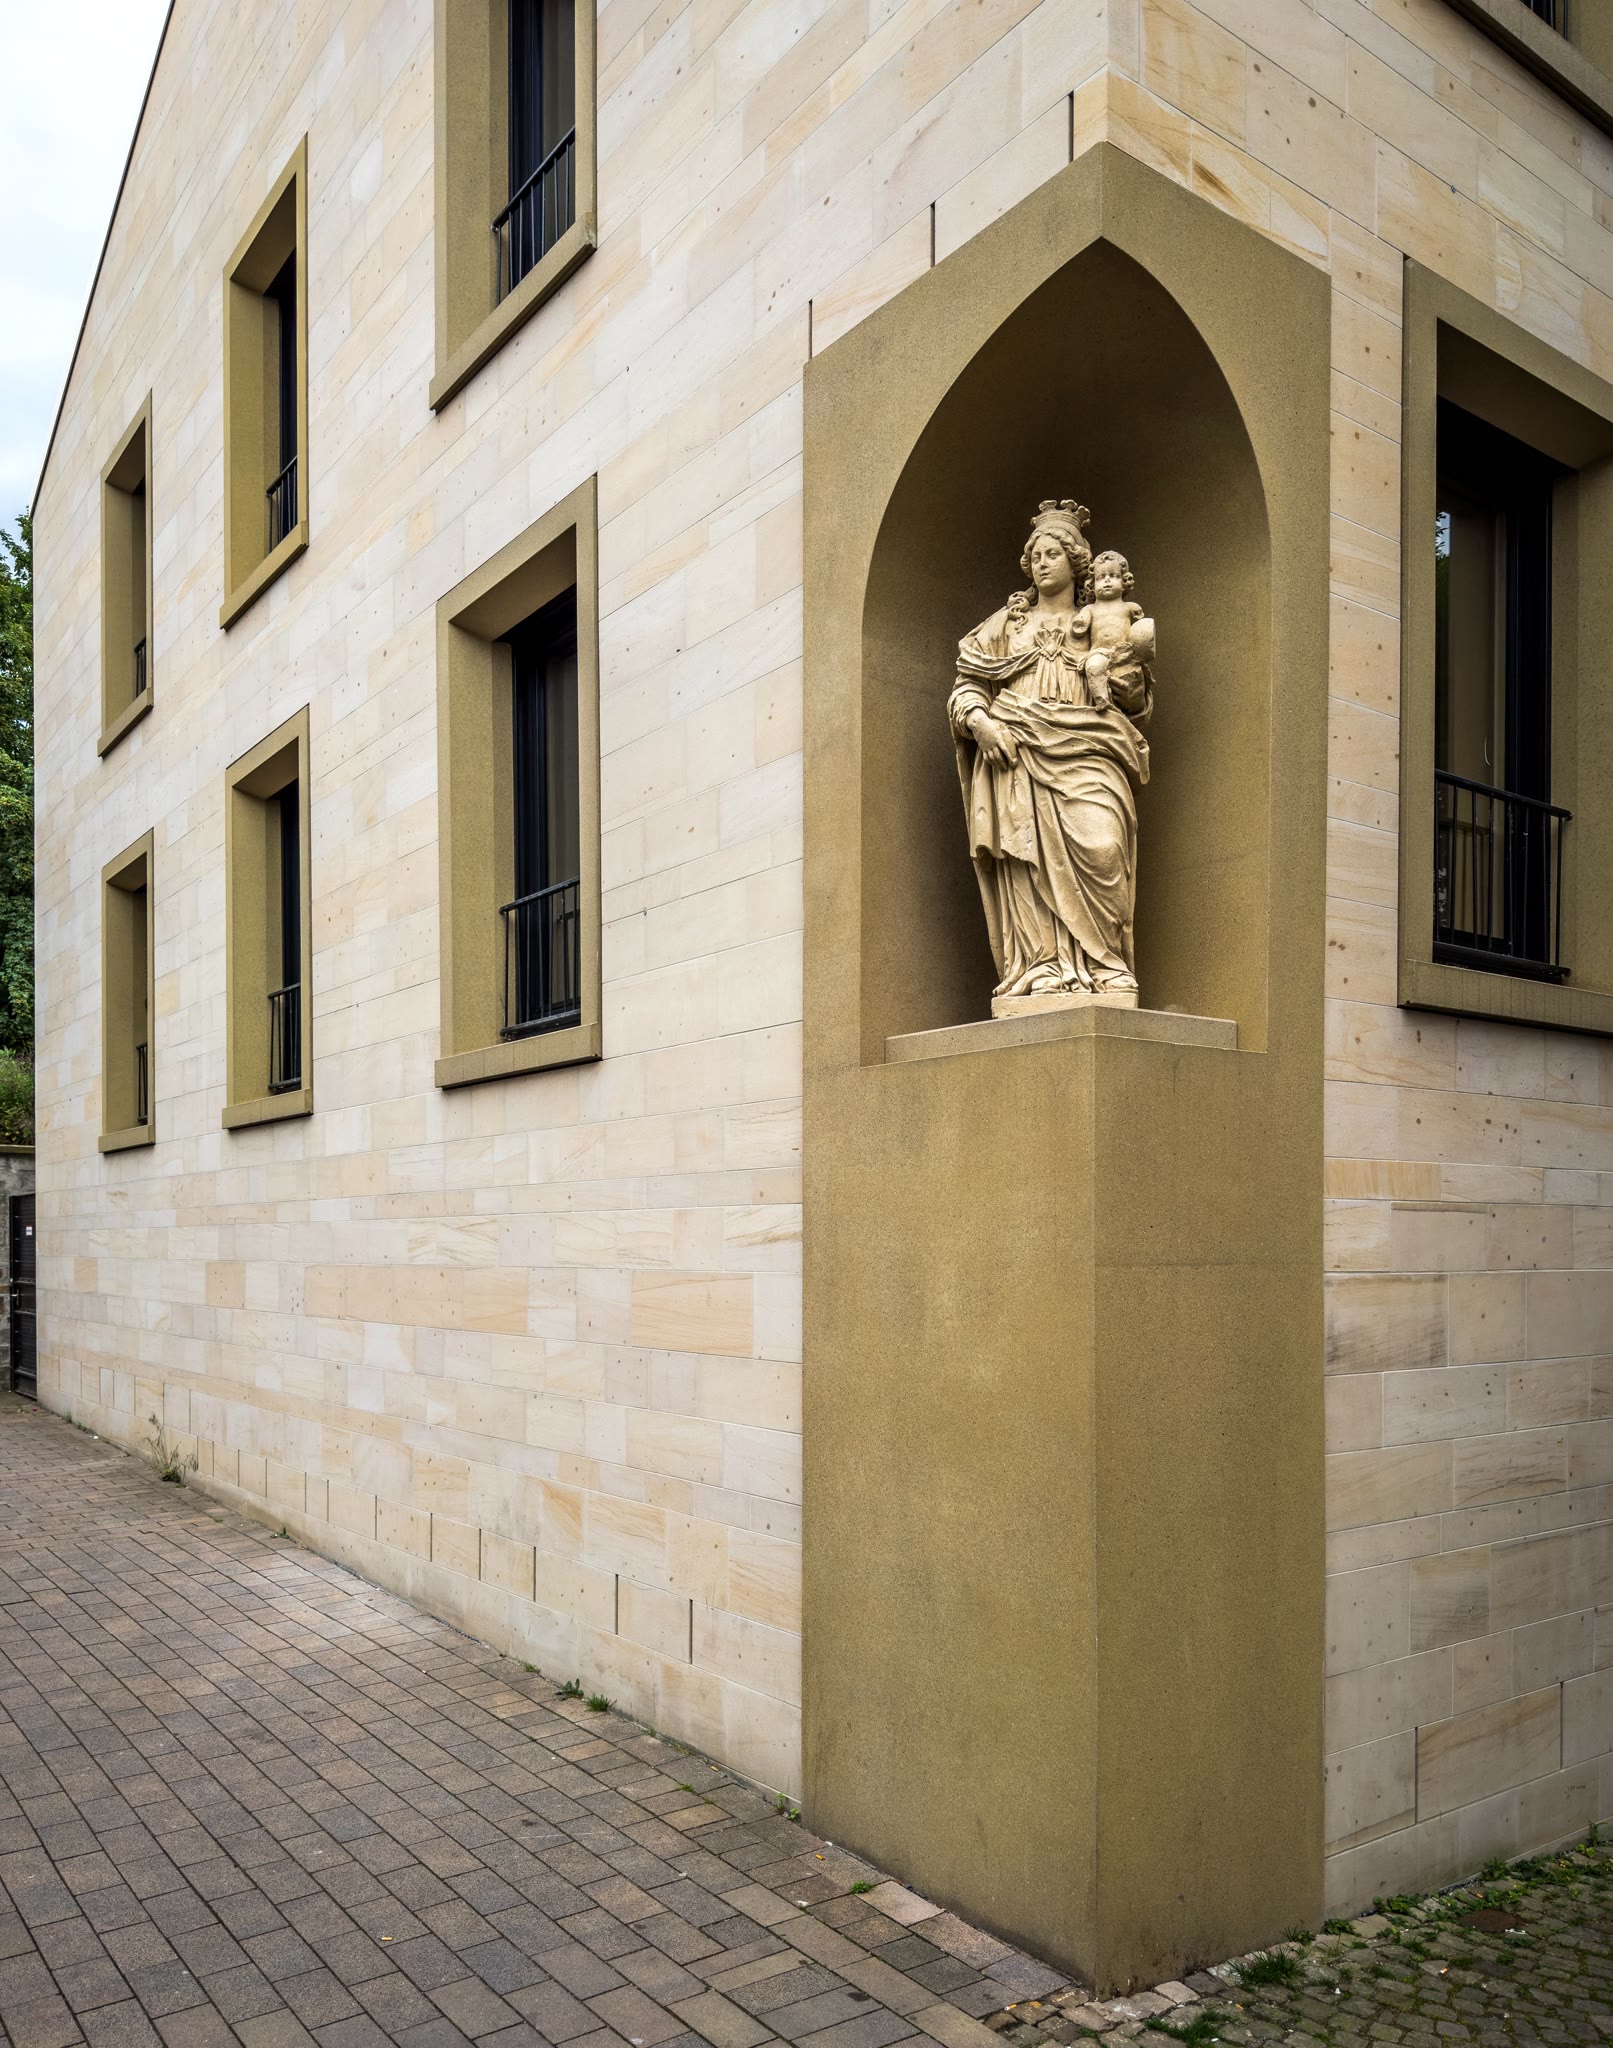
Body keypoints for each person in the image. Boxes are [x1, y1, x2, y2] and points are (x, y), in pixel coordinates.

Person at [947, 500, 1153, 1004]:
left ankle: (1104, 964)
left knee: (1104, 847)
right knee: (1027, 858)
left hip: (1091, 752)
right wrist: (983, 724)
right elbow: (966, 687)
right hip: (1017, 757)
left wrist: (1127, 676)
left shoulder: (1101, 622)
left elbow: (1136, 705)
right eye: (1035, 555)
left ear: (1076, 561)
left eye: (1052, 554)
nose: (1041, 563)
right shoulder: (1007, 625)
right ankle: (1040, 965)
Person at [1078, 550, 1156, 715]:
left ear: (1124, 581)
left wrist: (1136, 700)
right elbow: (1080, 625)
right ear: (1092, 584)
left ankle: (1112, 713)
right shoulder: (1090, 609)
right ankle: (1102, 701)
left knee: (1131, 675)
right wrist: (1080, 623)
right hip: (1099, 653)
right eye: (1101, 577)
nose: (1107, 580)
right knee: (1094, 667)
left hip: (1124, 654)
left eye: (1113, 576)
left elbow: (1142, 630)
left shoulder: (1128, 608)